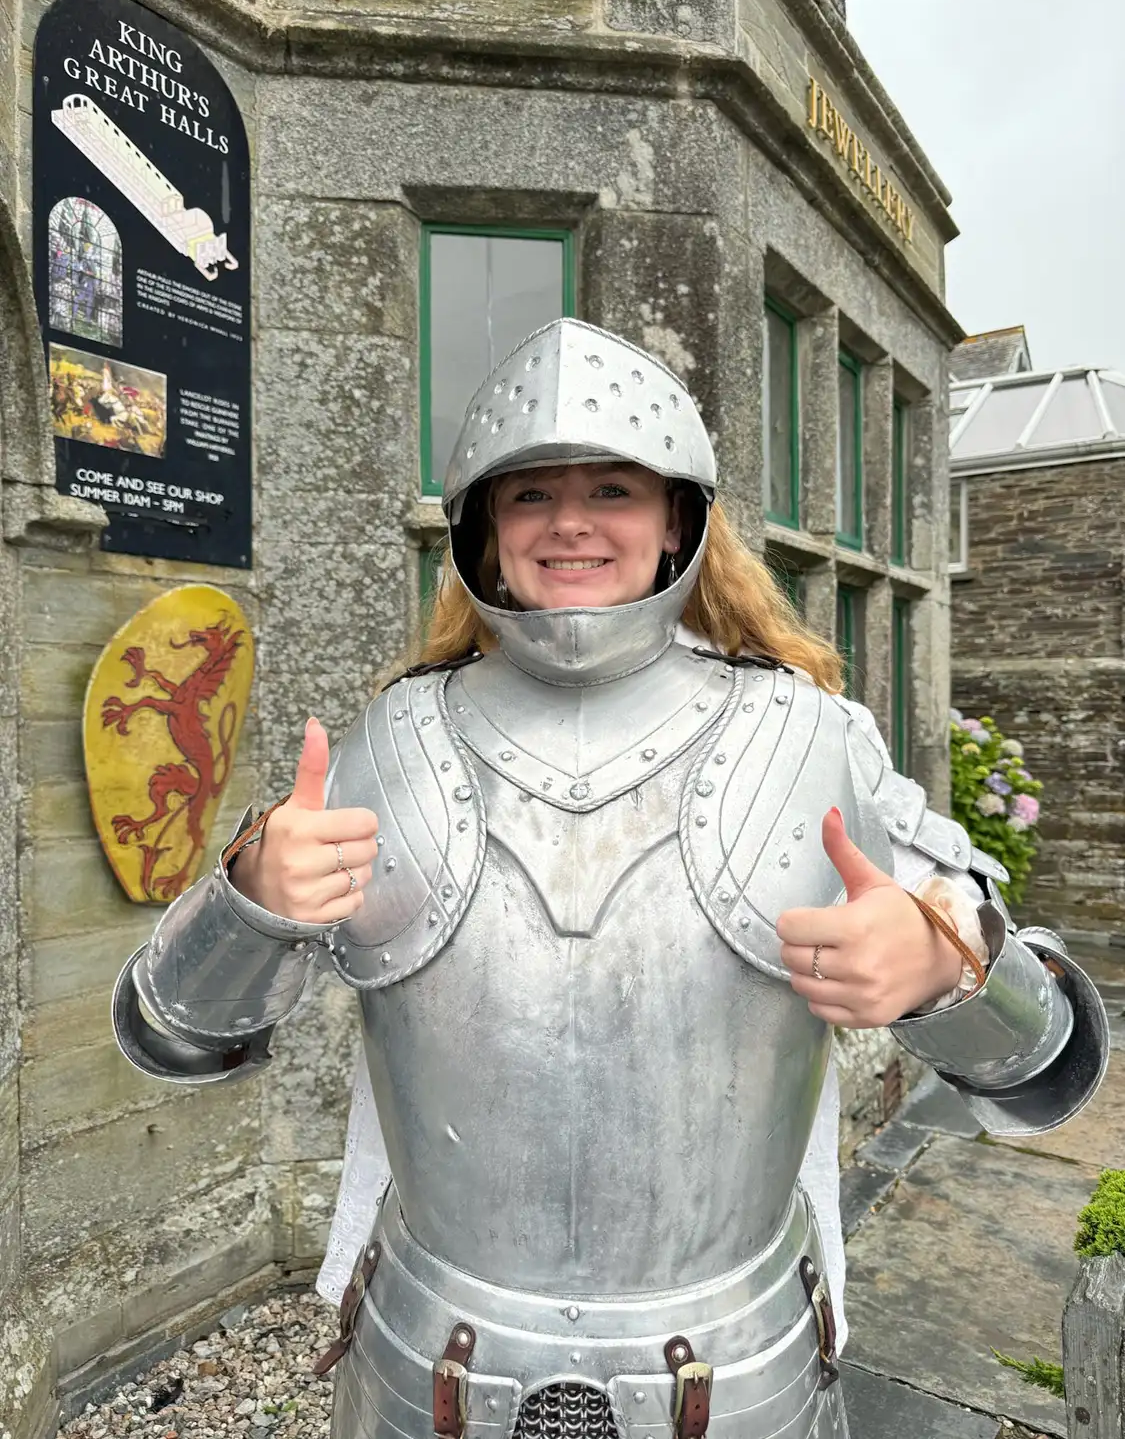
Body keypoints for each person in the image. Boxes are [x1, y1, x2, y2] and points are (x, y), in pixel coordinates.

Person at [114, 319, 1108, 1439]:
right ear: (484, 527)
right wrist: (253, 900)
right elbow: (172, 1035)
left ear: (679, 517)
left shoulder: (811, 734)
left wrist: (943, 967)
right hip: (426, 1362)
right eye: (531, 493)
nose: (571, 521)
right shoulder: (393, 739)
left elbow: (1048, 1062)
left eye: (612, 489)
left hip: (742, 1374)